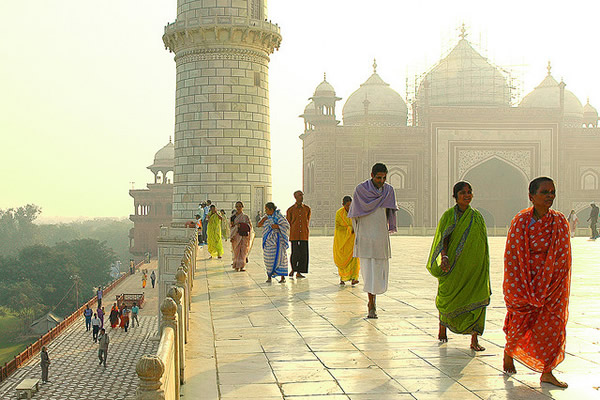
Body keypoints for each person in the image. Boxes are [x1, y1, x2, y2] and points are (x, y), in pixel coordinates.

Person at [503, 177, 571, 388]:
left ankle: (547, 371)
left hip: (552, 285)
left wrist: (551, 282)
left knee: (552, 326)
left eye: (552, 192)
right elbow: (513, 255)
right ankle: (509, 353)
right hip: (524, 283)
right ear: (531, 196)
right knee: (520, 322)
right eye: (544, 192)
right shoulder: (521, 221)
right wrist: (525, 285)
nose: (550, 195)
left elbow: (563, 256)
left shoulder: (559, 221)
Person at [426, 181, 490, 351]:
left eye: (469, 192)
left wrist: (482, 267)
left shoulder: (477, 217)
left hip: (474, 268)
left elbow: (483, 244)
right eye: (463, 192)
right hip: (454, 266)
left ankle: (474, 339)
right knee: (447, 295)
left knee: (477, 296)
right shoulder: (449, 215)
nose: (467, 195)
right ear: (455, 196)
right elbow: (443, 239)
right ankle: (442, 328)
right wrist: (444, 256)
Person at [348, 163, 397, 319]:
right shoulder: (361, 190)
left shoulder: (389, 191)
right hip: (366, 236)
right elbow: (354, 214)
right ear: (371, 175)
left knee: (379, 271)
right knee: (369, 272)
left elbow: (390, 213)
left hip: (380, 237)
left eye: (384, 178)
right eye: (378, 177)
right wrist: (358, 233)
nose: (381, 181)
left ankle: (374, 300)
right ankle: (371, 303)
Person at [259, 202, 289, 283]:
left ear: (271, 209)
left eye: (267, 209)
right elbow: (259, 225)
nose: (265, 211)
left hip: (278, 241)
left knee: (281, 258)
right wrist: (263, 219)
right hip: (269, 241)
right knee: (268, 259)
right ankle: (269, 276)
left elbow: (286, 225)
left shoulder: (279, 216)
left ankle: (282, 278)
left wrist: (277, 226)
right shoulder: (266, 217)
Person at [333, 196, 360, 286]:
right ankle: (342, 278)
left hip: (353, 241)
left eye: (350, 205)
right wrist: (349, 229)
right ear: (343, 205)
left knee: (354, 259)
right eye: (347, 205)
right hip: (342, 241)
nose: (349, 207)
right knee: (342, 259)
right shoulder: (339, 213)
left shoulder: (355, 212)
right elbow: (338, 227)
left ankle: (354, 278)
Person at [286, 190, 311, 279]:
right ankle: (293, 269)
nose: (302, 197)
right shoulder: (291, 210)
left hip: (304, 234)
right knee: (295, 253)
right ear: (295, 197)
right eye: (300, 195)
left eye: (302, 195)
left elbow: (307, 220)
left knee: (303, 254)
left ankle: (299, 271)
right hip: (294, 235)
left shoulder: (307, 209)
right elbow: (288, 222)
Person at [230, 201, 254, 272]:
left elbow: (250, 226)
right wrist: (237, 227)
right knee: (236, 251)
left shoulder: (245, 217)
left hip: (244, 236)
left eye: (240, 206)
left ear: (242, 207)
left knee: (243, 251)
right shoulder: (233, 217)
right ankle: (236, 265)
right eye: (237, 206)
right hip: (236, 236)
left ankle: (242, 265)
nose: (238, 208)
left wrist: (243, 225)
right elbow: (231, 227)